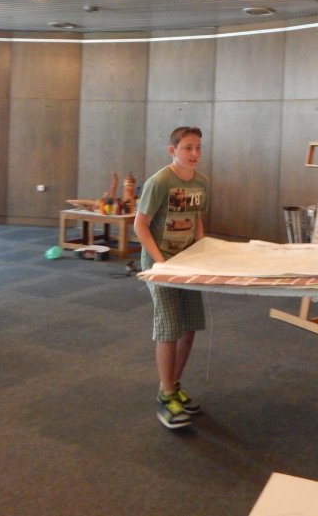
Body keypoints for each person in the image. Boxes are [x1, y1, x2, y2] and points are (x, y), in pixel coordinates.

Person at [134, 126, 210, 430]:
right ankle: (166, 396)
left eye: (198, 148)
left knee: (189, 326)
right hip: (161, 263)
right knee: (168, 326)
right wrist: (161, 262)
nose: (194, 153)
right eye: (188, 148)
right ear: (172, 151)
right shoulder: (160, 182)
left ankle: (173, 385)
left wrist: (202, 253)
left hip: (188, 263)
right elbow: (140, 226)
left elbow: (197, 220)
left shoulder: (201, 182)